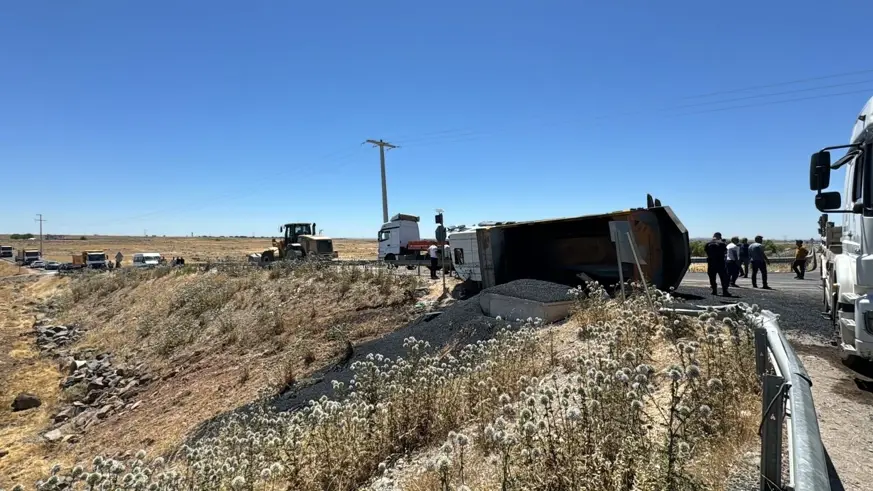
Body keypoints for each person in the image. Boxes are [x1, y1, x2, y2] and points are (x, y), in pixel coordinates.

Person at [704, 232, 731, 296]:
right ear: (720, 237)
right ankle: (725, 291)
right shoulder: (722, 243)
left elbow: (706, 252)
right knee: (723, 277)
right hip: (720, 263)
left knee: (712, 277)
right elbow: (725, 252)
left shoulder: (708, 243)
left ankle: (714, 290)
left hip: (711, 263)